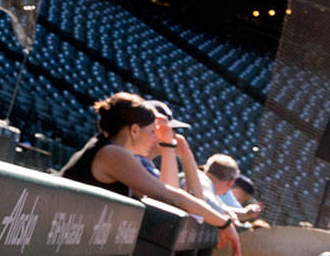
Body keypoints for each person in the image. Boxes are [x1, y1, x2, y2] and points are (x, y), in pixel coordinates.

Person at [60, 93, 241, 255]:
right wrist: (224, 223)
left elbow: (169, 199)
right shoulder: (113, 154)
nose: (156, 138)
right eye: (152, 131)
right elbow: (170, 196)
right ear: (134, 130)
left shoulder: (111, 150)